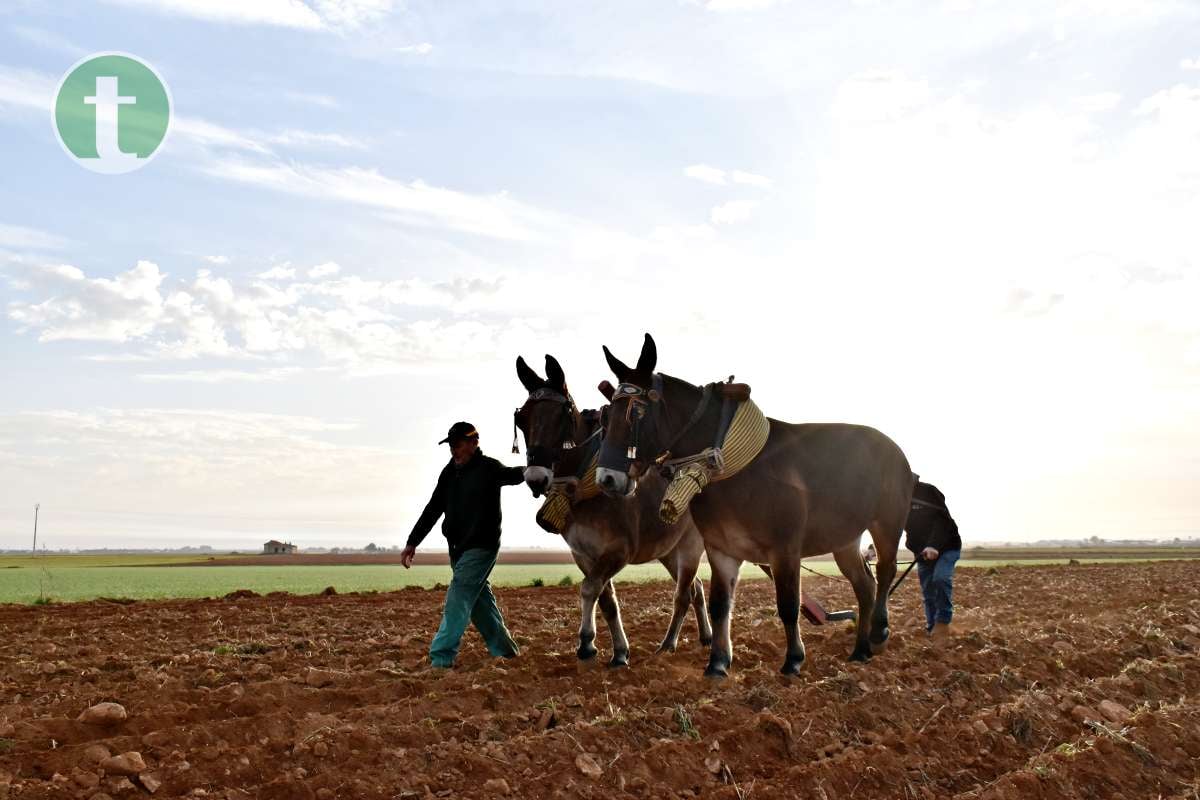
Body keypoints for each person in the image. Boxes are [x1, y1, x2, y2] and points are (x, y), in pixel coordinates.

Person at [400, 421, 526, 668]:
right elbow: (433, 508)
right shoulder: (449, 473)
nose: (453, 450)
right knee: (481, 607)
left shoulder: (489, 468)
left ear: (473, 443)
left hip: (482, 547)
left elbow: (513, 475)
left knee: (458, 597)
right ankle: (507, 653)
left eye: (458, 445)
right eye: (451, 446)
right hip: (458, 549)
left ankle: (441, 658)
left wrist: (534, 470)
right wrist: (413, 541)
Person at [904, 480, 962, 645]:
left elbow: (943, 521)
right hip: (923, 552)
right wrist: (871, 551)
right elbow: (890, 528)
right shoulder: (894, 497)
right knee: (928, 592)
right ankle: (932, 629)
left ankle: (943, 621)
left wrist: (933, 545)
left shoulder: (928, 492)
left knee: (940, 578)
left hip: (947, 547)